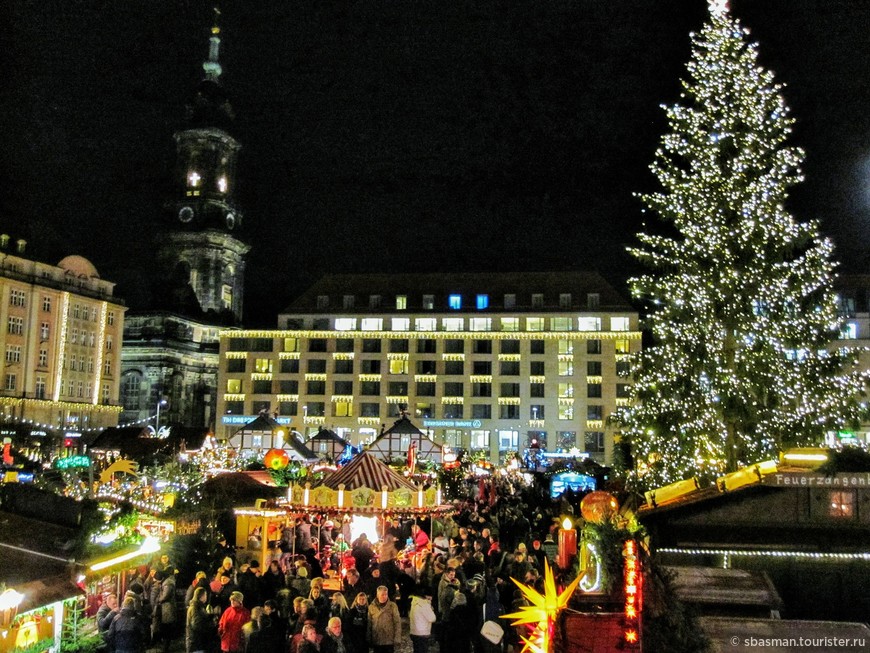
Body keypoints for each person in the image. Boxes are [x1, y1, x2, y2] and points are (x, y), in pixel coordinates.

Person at [367, 586, 401, 653]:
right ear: (377, 595)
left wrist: (397, 638)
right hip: (377, 639)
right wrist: (369, 638)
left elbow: (397, 622)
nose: (384, 596)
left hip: (389, 640)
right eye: (382, 595)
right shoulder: (371, 607)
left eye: (386, 594)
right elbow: (369, 624)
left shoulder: (392, 606)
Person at [186, 586, 216, 653]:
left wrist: (209, 617)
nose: (206, 597)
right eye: (205, 595)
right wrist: (210, 625)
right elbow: (196, 625)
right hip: (196, 642)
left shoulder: (198, 606)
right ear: (201, 596)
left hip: (197, 642)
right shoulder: (196, 608)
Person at [408, 587, 436, 653]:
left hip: (414, 632)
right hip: (422, 633)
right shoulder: (424, 604)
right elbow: (432, 618)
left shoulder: (414, 602)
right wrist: (429, 606)